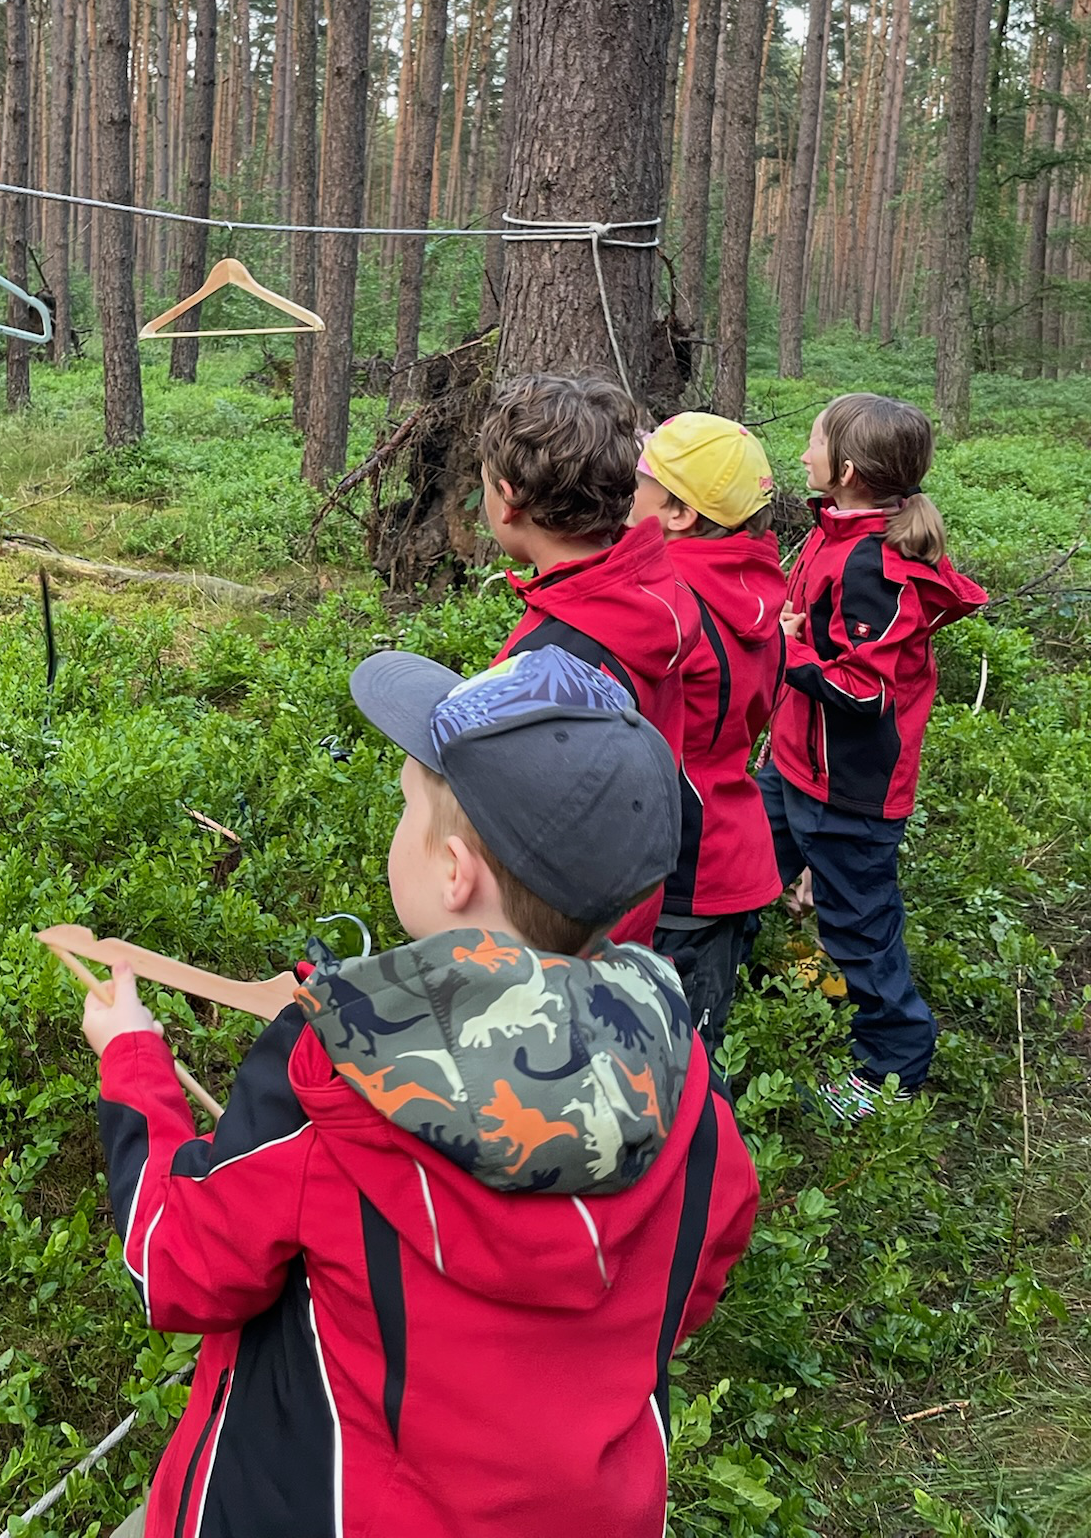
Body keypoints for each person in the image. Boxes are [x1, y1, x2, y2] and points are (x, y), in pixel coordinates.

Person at [85, 644, 759, 1538]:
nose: (395, 822)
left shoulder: (331, 1087)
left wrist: (133, 1061)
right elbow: (689, 1292)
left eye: (406, 805)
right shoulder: (691, 1106)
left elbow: (178, 1267)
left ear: (454, 871)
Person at [758, 394, 987, 1117]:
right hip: (795, 765)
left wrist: (789, 649)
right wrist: (796, 629)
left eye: (814, 441)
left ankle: (892, 1068)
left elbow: (862, 694)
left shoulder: (873, 564)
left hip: (846, 789)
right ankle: (722, 989)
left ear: (848, 470)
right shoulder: (837, 532)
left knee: (860, 929)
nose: (801, 454)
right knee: (737, 870)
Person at [479, 372, 702, 945]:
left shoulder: (559, 654)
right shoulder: (649, 594)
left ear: (508, 500)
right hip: (628, 916)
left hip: (558, 943)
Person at [631, 413, 786, 1058]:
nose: (628, 495)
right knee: (699, 1037)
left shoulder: (669, 604)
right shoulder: (753, 589)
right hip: (733, 846)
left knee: (667, 1061)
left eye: (642, 482)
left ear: (678, 514)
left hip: (681, 870)